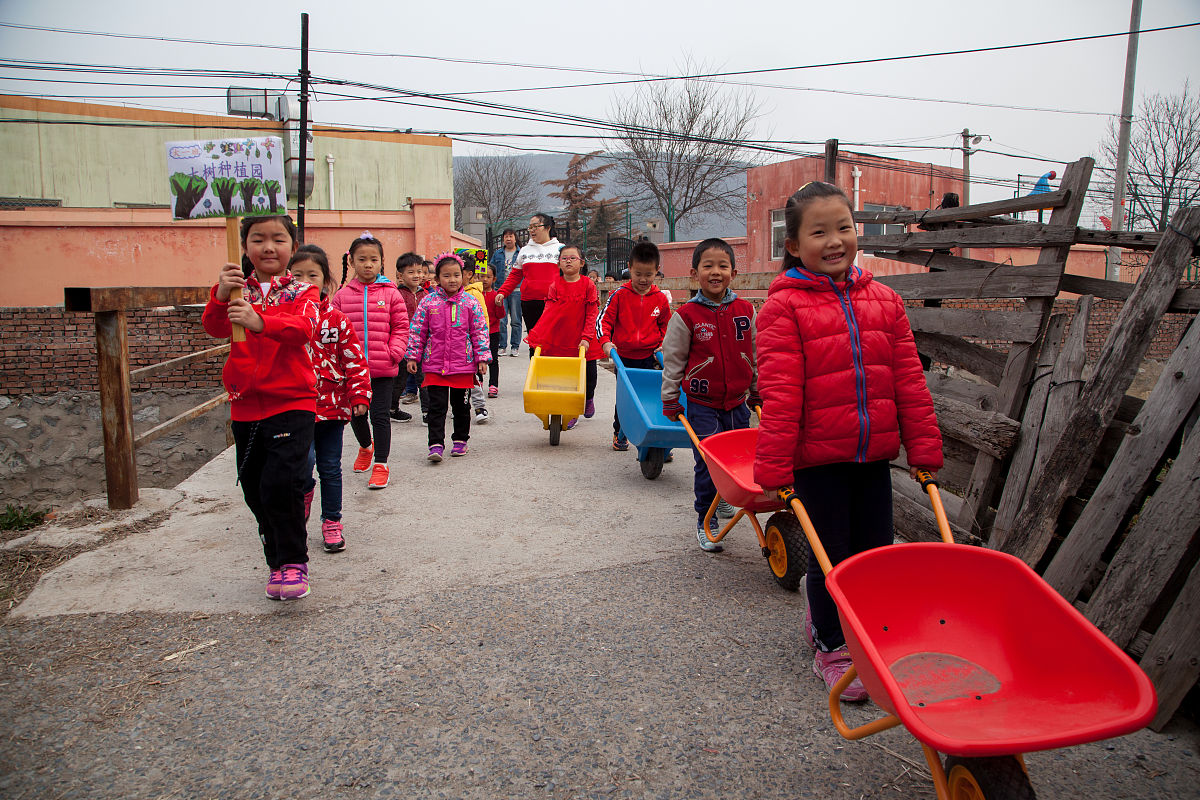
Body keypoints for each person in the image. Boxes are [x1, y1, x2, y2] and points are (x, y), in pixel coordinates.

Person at [754, 181, 943, 702]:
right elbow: (781, 395)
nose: (835, 241)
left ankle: (871, 636)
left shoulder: (884, 301)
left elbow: (908, 380)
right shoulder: (783, 310)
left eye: (844, 228)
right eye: (819, 232)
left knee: (876, 555)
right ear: (793, 245)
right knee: (831, 557)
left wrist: (923, 449)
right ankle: (830, 641)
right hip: (818, 463)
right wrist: (774, 469)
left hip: (873, 457)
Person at [201, 215, 318, 601]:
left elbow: (303, 330)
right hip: (245, 404)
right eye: (258, 239)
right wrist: (220, 296)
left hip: (291, 402)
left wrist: (259, 321)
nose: (268, 247)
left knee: (279, 484)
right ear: (245, 245)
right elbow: (215, 328)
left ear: (292, 245)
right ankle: (275, 561)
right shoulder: (236, 289)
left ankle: (293, 562)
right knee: (254, 488)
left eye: (278, 239)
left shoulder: (302, 291)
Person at [661, 238, 759, 553]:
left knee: (738, 462)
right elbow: (673, 361)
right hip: (702, 405)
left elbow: (756, 353)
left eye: (722, 266)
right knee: (708, 462)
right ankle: (706, 517)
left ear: (733, 273)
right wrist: (670, 398)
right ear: (695, 273)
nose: (715, 272)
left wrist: (757, 390)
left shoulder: (746, 310)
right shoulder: (687, 316)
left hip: (737, 403)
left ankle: (724, 500)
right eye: (708, 266)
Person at [287, 245, 371, 554]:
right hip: (295, 408)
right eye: (298, 275)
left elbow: (354, 359)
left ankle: (332, 521)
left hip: (333, 407)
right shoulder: (282, 318)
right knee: (302, 465)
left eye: (313, 275)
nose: (306, 281)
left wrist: (359, 393)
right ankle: (303, 498)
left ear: (325, 280)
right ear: (287, 278)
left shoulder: (336, 319)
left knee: (330, 468)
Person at [331, 231, 409, 490]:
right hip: (351, 371)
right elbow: (333, 330)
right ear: (351, 261)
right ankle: (365, 446)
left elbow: (401, 327)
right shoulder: (342, 296)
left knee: (380, 416)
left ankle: (381, 464)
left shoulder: (391, 294)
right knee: (356, 414)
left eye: (373, 259)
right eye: (362, 259)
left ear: (381, 262)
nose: (368, 264)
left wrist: (394, 352)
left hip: (383, 368)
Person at [406, 253, 490, 462]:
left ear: (463, 276)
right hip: (435, 366)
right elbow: (418, 331)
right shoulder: (428, 303)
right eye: (446, 275)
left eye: (456, 275)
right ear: (437, 279)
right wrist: (413, 357)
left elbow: (479, 331)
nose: (452, 280)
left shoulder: (471, 303)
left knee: (461, 407)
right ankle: (435, 444)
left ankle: (461, 440)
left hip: (464, 365)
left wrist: (481, 358)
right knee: (437, 407)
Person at [596, 241, 672, 451]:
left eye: (648, 274)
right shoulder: (619, 295)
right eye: (638, 273)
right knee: (626, 398)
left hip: (651, 356)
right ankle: (619, 433)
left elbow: (667, 325)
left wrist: (664, 345)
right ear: (629, 268)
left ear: (657, 270)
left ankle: (658, 438)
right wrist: (605, 342)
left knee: (654, 397)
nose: (643, 279)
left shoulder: (660, 299)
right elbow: (604, 320)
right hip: (625, 358)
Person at [525, 244, 604, 426]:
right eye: (564, 258)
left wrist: (586, 337)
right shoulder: (555, 286)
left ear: (582, 263)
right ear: (559, 264)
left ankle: (589, 397)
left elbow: (592, 313)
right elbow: (548, 312)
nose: (568, 261)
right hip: (561, 339)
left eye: (572, 258)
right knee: (566, 379)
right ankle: (571, 411)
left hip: (583, 339)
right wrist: (540, 335)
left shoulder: (588, 285)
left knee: (589, 375)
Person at [494, 213, 563, 357]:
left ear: (548, 228)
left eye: (536, 226)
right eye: (530, 227)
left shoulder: (560, 249)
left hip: (554, 302)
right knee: (535, 338)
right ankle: (536, 371)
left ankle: (554, 369)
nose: (532, 230)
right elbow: (515, 275)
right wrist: (502, 292)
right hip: (529, 302)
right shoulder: (525, 251)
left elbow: (568, 275)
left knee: (554, 338)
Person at [457, 249, 492, 425]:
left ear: (469, 274)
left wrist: (482, 343)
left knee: (474, 377)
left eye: (458, 273)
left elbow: (483, 319)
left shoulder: (474, 293)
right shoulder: (447, 293)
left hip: (471, 344)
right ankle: (459, 406)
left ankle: (479, 406)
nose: (453, 278)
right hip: (455, 345)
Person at [390, 252, 425, 423]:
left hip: (423, 344)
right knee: (400, 379)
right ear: (400, 275)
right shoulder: (396, 295)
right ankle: (392, 408)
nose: (417, 275)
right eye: (411, 272)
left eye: (419, 271)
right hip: (402, 343)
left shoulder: (426, 294)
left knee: (424, 378)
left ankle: (427, 412)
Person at [489, 228, 521, 356]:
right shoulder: (498, 254)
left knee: (516, 320)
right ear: (503, 239)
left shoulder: (520, 253)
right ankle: (502, 346)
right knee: (501, 319)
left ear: (515, 238)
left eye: (510, 236)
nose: (508, 239)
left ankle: (515, 346)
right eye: (506, 237)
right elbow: (491, 269)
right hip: (500, 290)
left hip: (517, 290)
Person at [482, 264, 503, 398]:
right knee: (477, 359)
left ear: (494, 279)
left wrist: (499, 305)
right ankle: (477, 383)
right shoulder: (473, 295)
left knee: (493, 359)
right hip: (476, 333)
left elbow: (500, 315)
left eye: (488, 277)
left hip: (493, 331)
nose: (484, 280)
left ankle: (493, 385)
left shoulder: (496, 295)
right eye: (481, 276)